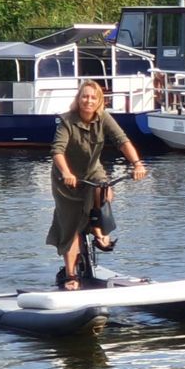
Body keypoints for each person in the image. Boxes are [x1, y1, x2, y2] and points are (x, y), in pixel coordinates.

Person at [46, 80, 148, 291]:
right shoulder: (67, 121)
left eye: (93, 97)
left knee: (104, 188)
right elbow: (57, 150)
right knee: (71, 226)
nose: (88, 101)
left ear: (99, 100)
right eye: (85, 96)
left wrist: (137, 163)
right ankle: (71, 275)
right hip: (67, 181)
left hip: (92, 172)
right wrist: (66, 173)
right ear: (78, 99)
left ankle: (98, 227)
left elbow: (122, 140)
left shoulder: (104, 118)